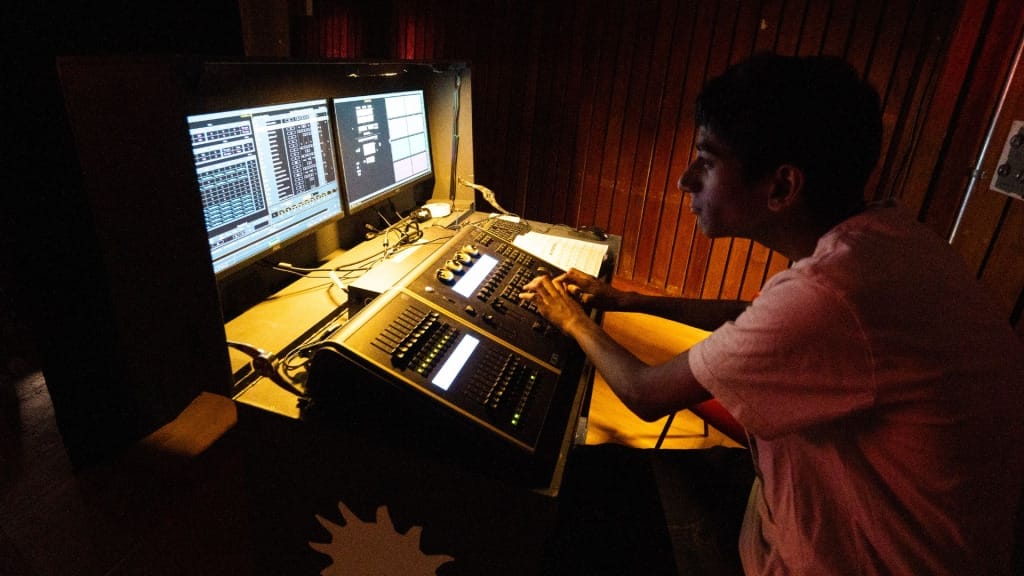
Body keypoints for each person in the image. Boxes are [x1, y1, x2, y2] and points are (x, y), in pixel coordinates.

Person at [522, 53, 1024, 575]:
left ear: (782, 187)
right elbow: (754, 313)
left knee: (571, 502)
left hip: (843, 557)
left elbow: (644, 393)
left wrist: (571, 318)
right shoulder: (889, 238)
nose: (685, 181)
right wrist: (629, 300)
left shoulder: (831, 294)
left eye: (708, 161)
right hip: (840, 514)